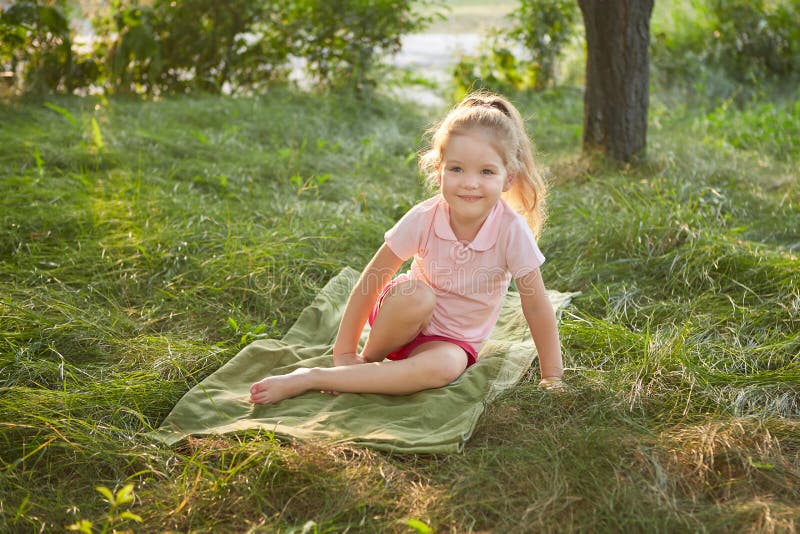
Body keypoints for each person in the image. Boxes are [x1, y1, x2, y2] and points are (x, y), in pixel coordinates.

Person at [250, 91, 563, 405]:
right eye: (456, 169)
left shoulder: (511, 230)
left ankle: (314, 378)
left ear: (507, 179)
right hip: (400, 320)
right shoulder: (425, 217)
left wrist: (552, 377)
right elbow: (372, 279)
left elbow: (536, 305)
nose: (469, 182)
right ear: (439, 170)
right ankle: (365, 362)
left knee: (445, 368)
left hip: (450, 343)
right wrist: (345, 352)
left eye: (486, 172)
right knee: (417, 295)